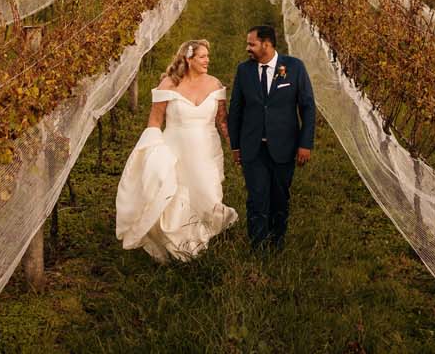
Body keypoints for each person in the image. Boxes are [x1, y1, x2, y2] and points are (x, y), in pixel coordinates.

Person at [115, 39, 238, 261]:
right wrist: (151, 152)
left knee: (208, 193)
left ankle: (207, 228)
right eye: (202, 56)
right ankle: (179, 242)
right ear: (188, 59)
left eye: (208, 56)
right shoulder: (168, 84)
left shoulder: (215, 84)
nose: (207, 60)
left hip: (207, 150)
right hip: (175, 149)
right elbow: (155, 120)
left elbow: (222, 121)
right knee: (176, 193)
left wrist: (234, 146)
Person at [226, 24, 314, 249]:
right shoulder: (244, 71)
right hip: (253, 147)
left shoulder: (294, 67)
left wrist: (305, 144)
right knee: (257, 197)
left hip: (284, 146)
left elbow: (307, 107)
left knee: (280, 197)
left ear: (266, 44)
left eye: (252, 44)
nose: (247, 48)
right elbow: (235, 110)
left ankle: (277, 242)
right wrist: (235, 146)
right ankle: (258, 245)